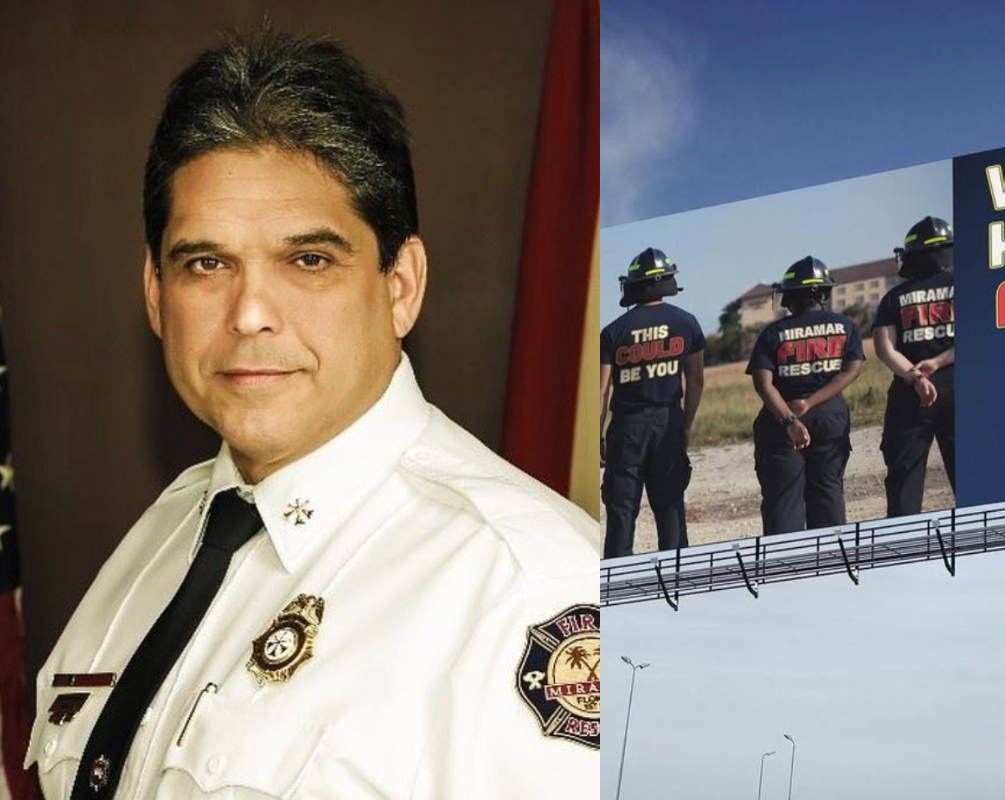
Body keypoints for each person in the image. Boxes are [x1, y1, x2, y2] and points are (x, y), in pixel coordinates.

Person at [24, 31, 600, 800]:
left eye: (308, 260)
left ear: (401, 287)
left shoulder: (529, 587)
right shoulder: (159, 541)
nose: (250, 313)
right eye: (206, 263)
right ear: (156, 297)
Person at [599, 247, 705, 558]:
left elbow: (602, 390)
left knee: (621, 511)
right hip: (669, 421)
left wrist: (597, 434)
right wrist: (685, 425)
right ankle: (676, 584)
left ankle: (616, 588)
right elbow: (696, 380)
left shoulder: (613, 331)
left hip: (627, 428)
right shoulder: (687, 323)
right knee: (670, 506)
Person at [747, 257, 864, 534]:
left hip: (780, 421)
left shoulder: (773, 333)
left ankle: (786, 568)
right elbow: (852, 371)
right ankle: (835, 562)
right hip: (831, 417)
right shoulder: (845, 326)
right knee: (828, 491)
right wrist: (812, 402)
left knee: (783, 500)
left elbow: (764, 384)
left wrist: (790, 420)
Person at [873, 215, 957, 518]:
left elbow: (885, 349)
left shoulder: (894, 297)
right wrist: (937, 362)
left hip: (910, 394)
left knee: (904, 479)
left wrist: (915, 376)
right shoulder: (965, 284)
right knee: (970, 473)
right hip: (959, 387)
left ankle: (903, 548)